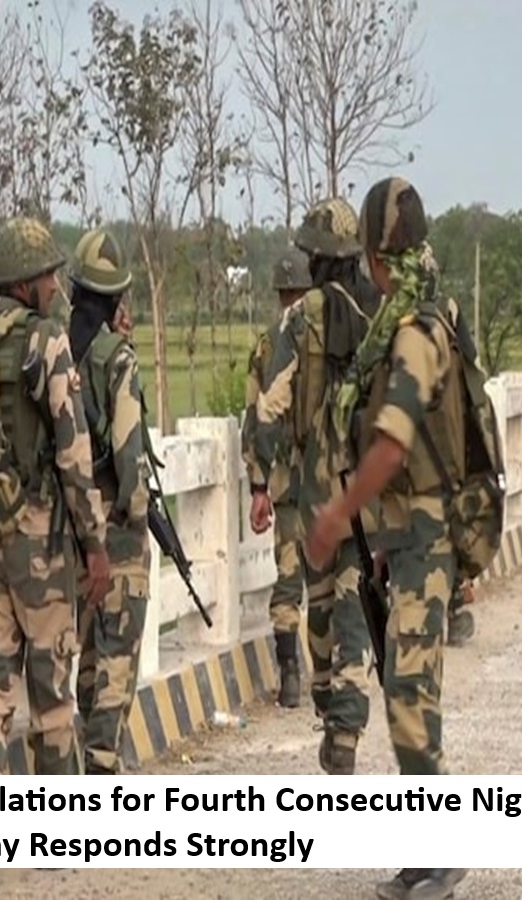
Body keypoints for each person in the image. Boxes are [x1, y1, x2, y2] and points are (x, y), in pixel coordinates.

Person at [307, 176, 469, 899]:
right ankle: (425, 851)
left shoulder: (413, 332)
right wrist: (377, 538)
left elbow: (394, 445)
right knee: (406, 686)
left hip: (426, 540)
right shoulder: (410, 320)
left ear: (376, 257)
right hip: (406, 539)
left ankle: (442, 852)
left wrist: (337, 515)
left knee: (408, 693)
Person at [0, 216, 111, 886]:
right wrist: (94, 542)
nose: (54, 285)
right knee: (52, 683)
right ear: (26, 282)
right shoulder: (46, 340)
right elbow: (72, 451)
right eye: (47, 275)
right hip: (38, 537)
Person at [252, 198, 382, 773]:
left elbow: (269, 407)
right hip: (370, 489)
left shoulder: (298, 319)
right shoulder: (382, 313)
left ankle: (332, 706)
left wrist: (262, 476)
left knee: (323, 606)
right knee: (357, 604)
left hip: (316, 494)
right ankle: (346, 725)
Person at [66, 228, 152, 775]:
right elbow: (128, 446)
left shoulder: (55, 349)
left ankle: (87, 753)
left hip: (72, 523)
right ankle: (101, 762)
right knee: (118, 646)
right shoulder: (117, 358)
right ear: (118, 295)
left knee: (88, 648)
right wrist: (138, 515)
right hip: (114, 522)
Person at [241, 249, 312, 708]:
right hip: (329, 480)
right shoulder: (325, 337)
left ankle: (289, 674)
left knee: (287, 577)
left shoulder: (267, 345)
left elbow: (255, 418)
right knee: (331, 574)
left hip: (285, 481)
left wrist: (258, 485)